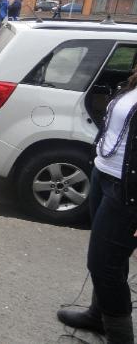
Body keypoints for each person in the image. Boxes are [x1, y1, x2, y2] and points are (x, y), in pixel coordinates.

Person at [56, 71, 137, 343]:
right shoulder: (133, 82)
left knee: (103, 266)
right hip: (103, 175)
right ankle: (97, 315)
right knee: (110, 259)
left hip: (128, 191)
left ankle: (120, 338)